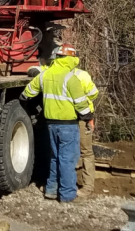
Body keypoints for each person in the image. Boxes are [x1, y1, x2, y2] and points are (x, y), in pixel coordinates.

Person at [21, 42, 99, 202]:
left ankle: (51, 190)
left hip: (50, 124)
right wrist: (87, 116)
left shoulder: (45, 74)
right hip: (68, 125)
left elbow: (27, 93)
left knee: (55, 157)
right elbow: (81, 104)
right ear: (72, 59)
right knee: (67, 159)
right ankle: (68, 194)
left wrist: (23, 102)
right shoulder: (72, 78)